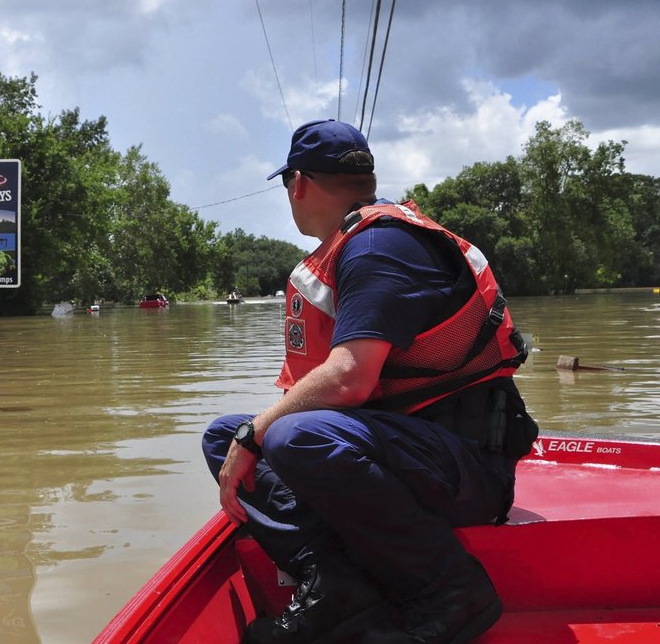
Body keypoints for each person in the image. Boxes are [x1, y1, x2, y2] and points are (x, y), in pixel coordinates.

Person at [202, 119, 537, 644]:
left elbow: (350, 380)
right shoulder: (359, 244)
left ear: (298, 184)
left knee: (285, 435)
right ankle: (336, 585)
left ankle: (452, 592)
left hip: (464, 465)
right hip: (405, 456)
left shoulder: (380, 246)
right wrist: (246, 437)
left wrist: (257, 434)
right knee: (225, 435)